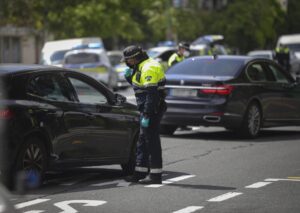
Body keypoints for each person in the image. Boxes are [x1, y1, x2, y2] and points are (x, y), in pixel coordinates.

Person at [122, 45, 167, 184]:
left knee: (151, 142)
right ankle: (140, 172)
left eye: (128, 60)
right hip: (146, 109)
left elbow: (151, 94)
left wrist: (147, 113)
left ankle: (155, 175)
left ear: (135, 58)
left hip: (152, 109)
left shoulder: (149, 67)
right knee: (142, 141)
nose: (126, 62)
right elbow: (140, 88)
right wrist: (130, 78)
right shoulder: (140, 66)